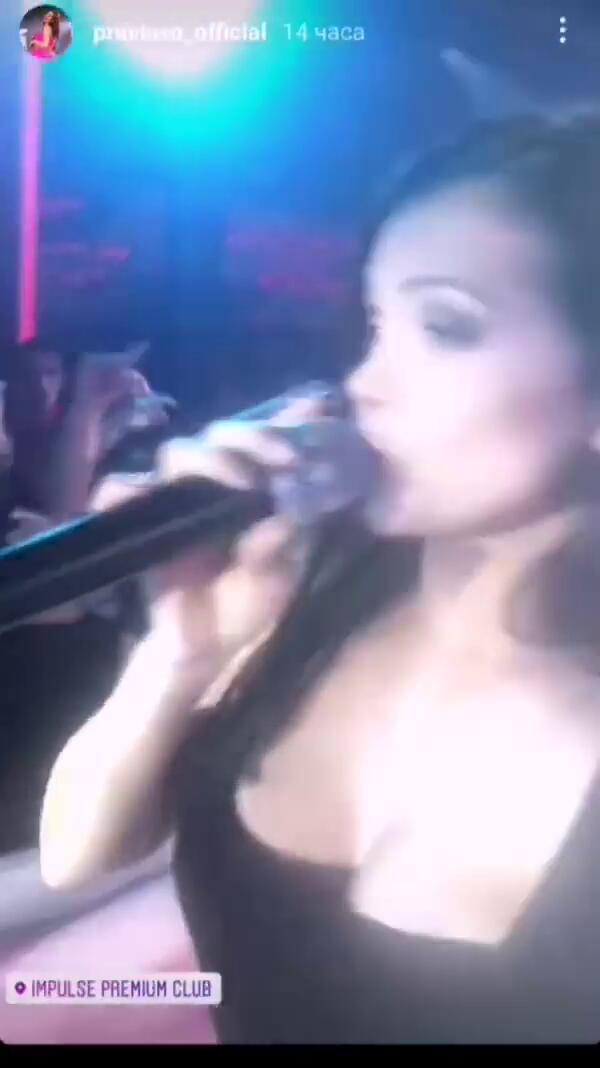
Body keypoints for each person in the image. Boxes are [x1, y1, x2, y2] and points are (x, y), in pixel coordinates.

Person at [41, 113, 600, 1043]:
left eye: (446, 328)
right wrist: (181, 652)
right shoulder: (309, 591)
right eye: (376, 325)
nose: (366, 381)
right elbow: (77, 856)